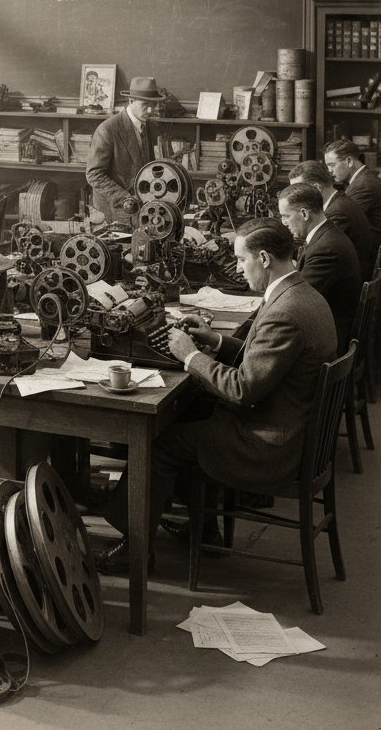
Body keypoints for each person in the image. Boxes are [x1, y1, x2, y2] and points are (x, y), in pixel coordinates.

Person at [95, 218, 337, 572]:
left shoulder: (284, 312)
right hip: (288, 424)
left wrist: (189, 355)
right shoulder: (300, 294)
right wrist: (215, 340)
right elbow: (266, 359)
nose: (238, 269)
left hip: (268, 447)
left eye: (241, 260)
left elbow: (242, 388)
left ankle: (136, 548)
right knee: (190, 412)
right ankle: (205, 530)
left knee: (157, 441)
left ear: (265, 258)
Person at [277, 183, 361, 352]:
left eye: (285, 216)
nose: (283, 222)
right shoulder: (327, 235)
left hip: (328, 339)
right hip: (331, 325)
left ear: (304, 214)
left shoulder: (326, 249)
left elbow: (296, 301)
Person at [85, 75, 162, 223]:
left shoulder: (148, 126)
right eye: (145, 104)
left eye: (154, 105)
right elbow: (94, 174)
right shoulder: (108, 129)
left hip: (139, 207)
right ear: (131, 101)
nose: (151, 110)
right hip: (115, 210)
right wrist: (126, 198)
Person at [289, 159, 373, 281]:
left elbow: (320, 251)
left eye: (297, 191)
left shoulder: (336, 214)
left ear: (317, 188)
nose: (292, 199)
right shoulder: (341, 202)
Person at [323, 138, 381, 256]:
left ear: (349, 161)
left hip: (368, 256)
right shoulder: (364, 178)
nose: (329, 171)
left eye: (332, 165)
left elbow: (339, 220)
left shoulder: (363, 185)